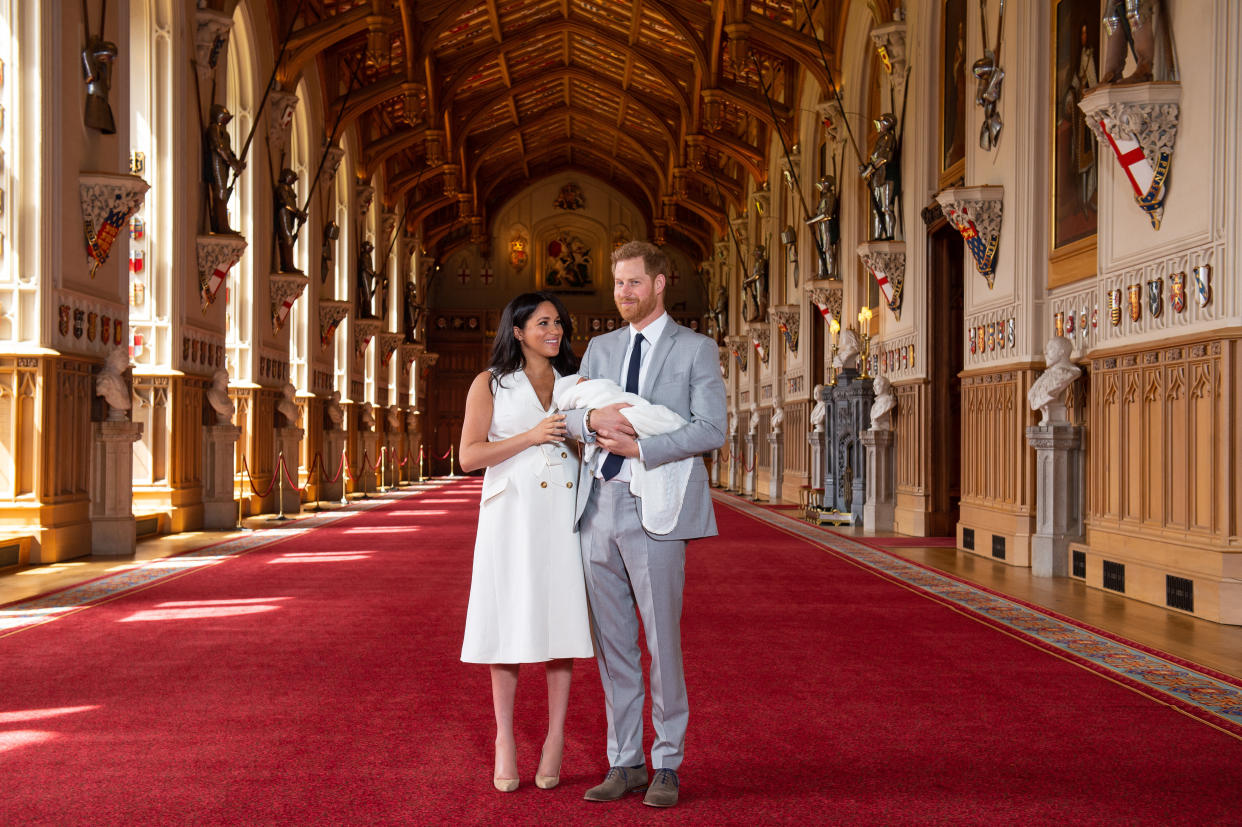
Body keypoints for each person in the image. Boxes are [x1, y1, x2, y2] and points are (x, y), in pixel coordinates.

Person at [563, 240, 727, 809]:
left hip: (656, 505)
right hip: (597, 507)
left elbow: (711, 429)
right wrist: (587, 418)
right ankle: (625, 760)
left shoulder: (695, 349)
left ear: (660, 284)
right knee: (614, 646)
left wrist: (642, 445)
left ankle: (666, 763)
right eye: (618, 283)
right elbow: (569, 415)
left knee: (661, 641)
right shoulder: (601, 347)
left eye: (634, 282)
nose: (623, 293)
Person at [459, 291, 593, 793]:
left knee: (560, 624)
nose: (554, 330)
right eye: (542, 323)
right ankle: (505, 739)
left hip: (562, 513)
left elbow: (588, 451)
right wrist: (533, 436)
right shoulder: (490, 383)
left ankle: (556, 736)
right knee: (508, 624)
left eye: (557, 322)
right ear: (517, 331)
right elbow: (470, 456)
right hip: (511, 516)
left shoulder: (575, 384)